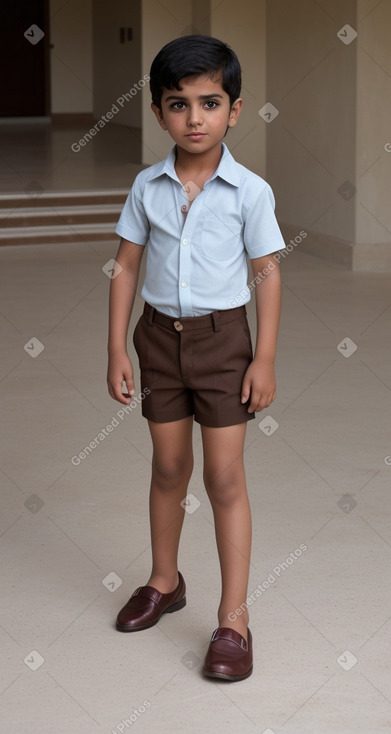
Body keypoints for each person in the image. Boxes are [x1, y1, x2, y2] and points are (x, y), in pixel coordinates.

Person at [107, 34, 285, 682]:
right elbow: (124, 268)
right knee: (167, 466)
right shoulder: (146, 187)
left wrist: (261, 358)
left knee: (223, 479)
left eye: (209, 103)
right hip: (156, 341)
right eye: (178, 105)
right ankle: (164, 580)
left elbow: (266, 273)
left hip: (223, 345)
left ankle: (233, 619)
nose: (194, 118)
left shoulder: (249, 192)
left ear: (233, 110)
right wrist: (116, 349)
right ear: (158, 113)